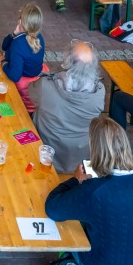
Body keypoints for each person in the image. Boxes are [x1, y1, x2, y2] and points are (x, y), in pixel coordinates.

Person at [43, 117, 133, 265]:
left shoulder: (96, 191)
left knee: (74, 228)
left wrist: (76, 180)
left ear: (95, 152)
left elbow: (53, 208)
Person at [29, 40, 105, 173]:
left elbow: (31, 94)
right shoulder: (100, 92)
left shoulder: (46, 86)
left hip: (47, 154)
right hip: (80, 159)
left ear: (67, 60)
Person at [0, 3, 45, 107]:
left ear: (21, 21)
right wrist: (15, 33)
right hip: (35, 71)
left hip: (23, 76)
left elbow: (15, 76)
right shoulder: (39, 37)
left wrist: (3, 62)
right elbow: (4, 46)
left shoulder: (18, 43)